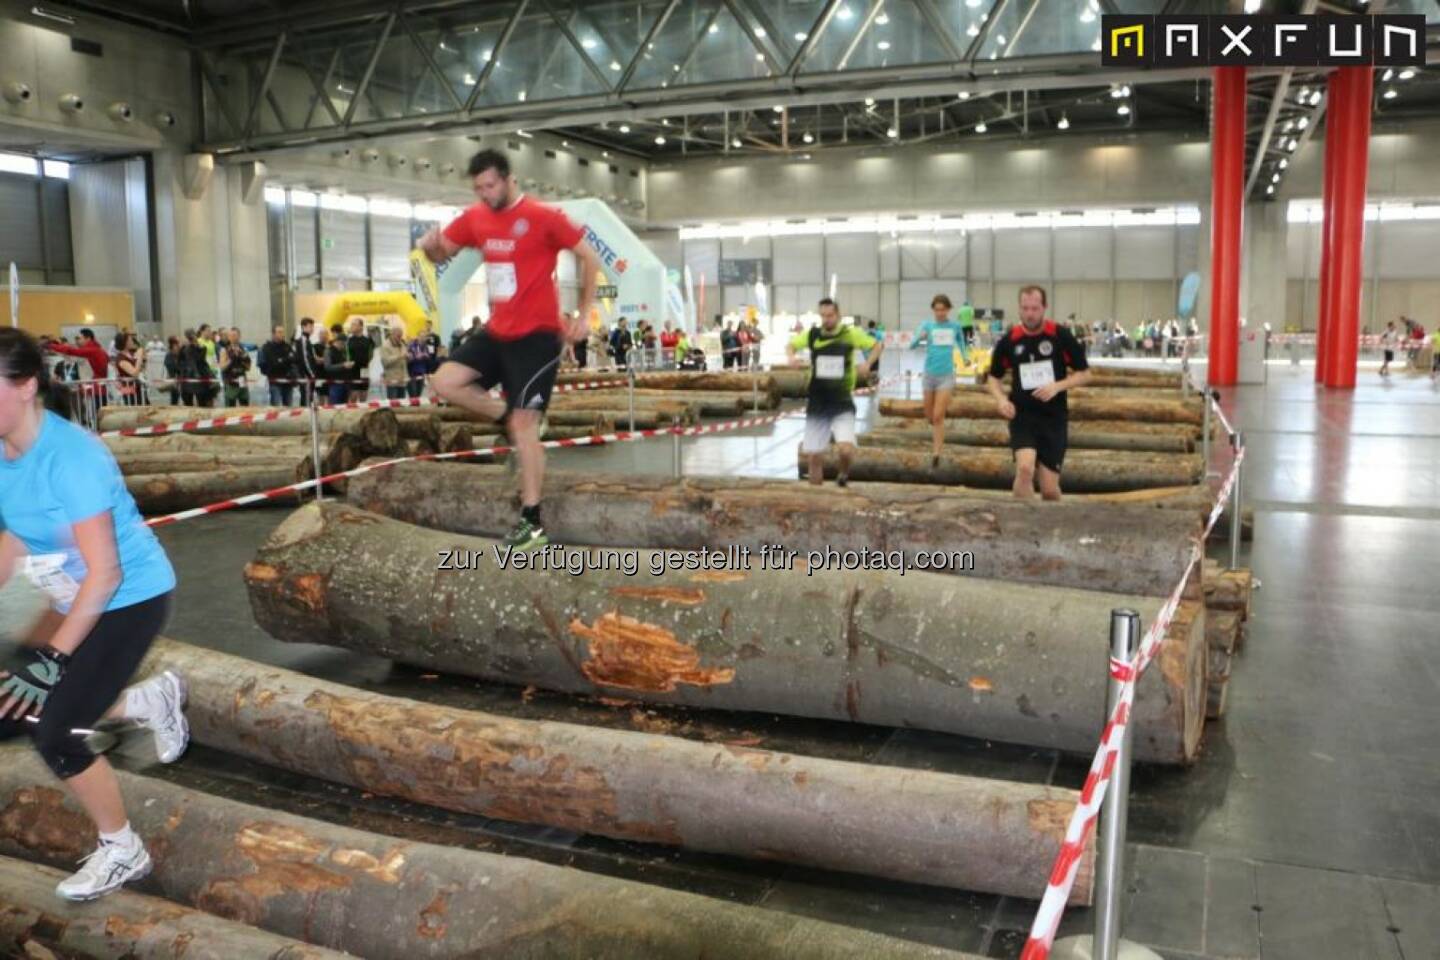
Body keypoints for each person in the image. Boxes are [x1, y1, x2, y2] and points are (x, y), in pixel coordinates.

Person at [0, 328, 190, 902]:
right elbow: (13, 538)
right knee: (12, 712)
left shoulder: (74, 458)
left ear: (27, 386)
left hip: (128, 597)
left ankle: (123, 848)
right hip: (72, 595)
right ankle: (144, 701)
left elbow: (105, 573)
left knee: (56, 729)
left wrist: (54, 659)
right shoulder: (4, 453)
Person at [421, 148, 600, 549]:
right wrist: (429, 246)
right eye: (478, 187)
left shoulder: (543, 217)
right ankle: (509, 416)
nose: (484, 194)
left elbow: (590, 258)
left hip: (537, 336)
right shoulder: (475, 217)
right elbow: (441, 254)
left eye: (490, 185)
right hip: (497, 330)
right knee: (445, 382)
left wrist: (584, 314)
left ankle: (533, 520)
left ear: (508, 179)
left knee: (524, 428)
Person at [985, 285, 1092, 501]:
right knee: (1025, 469)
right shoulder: (1010, 340)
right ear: (1019, 308)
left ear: (1044, 307)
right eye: (1025, 308)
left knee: (1050, 490)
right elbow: (993, 377)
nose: (1030, 313)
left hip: (1053, 418)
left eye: (1035, 308)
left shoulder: (1059, 335)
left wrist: (1057, 386)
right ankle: (1021, 523)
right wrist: (1000, 399)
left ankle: (1050, 527)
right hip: (1022, 416)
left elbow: (1086, 374)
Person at [787, 298, 881, 488]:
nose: (826, 319)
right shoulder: (812, 334)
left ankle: (844, 472)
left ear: (838, 315)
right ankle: (817, 500)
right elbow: (791, 345)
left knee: (846, 450)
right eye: (823, 315)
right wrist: (791, 357)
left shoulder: (850, 334)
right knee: (814, 457)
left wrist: (868, 363)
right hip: (817, 402)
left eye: (830, 315)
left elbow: (877, 345)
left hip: (842, 402)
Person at [910, 294, 970, 467]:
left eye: (943, 309)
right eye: (937, 309)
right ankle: (938, 430)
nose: (940, 313)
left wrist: (965, 357)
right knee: (929, 415)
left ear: (949, 310)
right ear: (933, 310)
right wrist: (919, 337)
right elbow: (911, 345)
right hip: (929, 376)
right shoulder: (927, 325)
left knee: (938, 417)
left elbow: (961, 342)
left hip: (946, 376)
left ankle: (936, 453)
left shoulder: (955, 326)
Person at [257, 326, 296, 407]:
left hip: (288, 381)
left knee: (289, 406)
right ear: (274, 334)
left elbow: (293, 359)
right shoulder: (267, 347)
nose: (282, 334)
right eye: (279, 332)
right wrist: (286, 359)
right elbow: (273, 363)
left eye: (282, 332)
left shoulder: (287, 346)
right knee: (276, 406)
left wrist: (281, 360)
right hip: (274, 381)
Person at [291, 317, 322, 407]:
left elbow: (311, 358)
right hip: (306, 375)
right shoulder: (303, 340)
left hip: (308, 374)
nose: (312, 329)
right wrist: (311, 374)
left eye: (313, 326)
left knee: (309, 398)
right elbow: (305, 359)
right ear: (303, 327)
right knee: (306, 400)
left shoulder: (308, 341)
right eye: (310, 326)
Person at [323, 323, 355, 405]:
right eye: (344, 344)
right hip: (335, 385)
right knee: (334, 408)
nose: (345, 346)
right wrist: (343, 365)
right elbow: (328, 367)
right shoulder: (328, 351)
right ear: (340, 342)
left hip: (345, 384)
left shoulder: (342, 352)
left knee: (343, 408)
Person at [219, 327, 251, 407]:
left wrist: (243, 359)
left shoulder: (244, 349)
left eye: (235, 335)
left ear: (239, 336)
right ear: (229, 337)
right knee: (230, 408)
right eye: (231, 335)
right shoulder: (225, 350)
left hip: (242, 381)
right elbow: (222, 367)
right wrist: (231, 360)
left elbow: (248, 368)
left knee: (245, 406)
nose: (233, 337)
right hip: (231, 382)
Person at [345, 318, 374, 401]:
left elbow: (371, 354)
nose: (351, 326)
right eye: (351, 325)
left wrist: (367, 362)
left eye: (354, 325)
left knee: (363, 395)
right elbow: (346, 355)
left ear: (361, 327)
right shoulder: (348, 340)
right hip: (353, 371)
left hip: (364, 370)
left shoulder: (368, 340)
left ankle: (363, 411)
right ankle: (352, 412)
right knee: (353, 395)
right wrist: (349, 363)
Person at [380, 321, 409, 400]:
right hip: (392, 380)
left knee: (402, 404)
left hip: (402, 380)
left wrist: (408, 357)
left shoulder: (402, 344)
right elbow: (385, 362)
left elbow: (405, 359)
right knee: (393, 405)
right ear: (392, 334)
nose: (400, 338)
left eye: (401, 336)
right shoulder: (385, 346)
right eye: (398, 336)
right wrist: (400, 356)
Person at [113, 333, 143, 407]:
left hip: (138, 388)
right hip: (129, 389)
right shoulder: (121, 359)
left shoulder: (131, 354)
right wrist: (139, 356)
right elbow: (134, 373)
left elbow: (139, 368)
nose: (132, 341)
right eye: (130, 340)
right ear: (125, 342)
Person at [162, 336, 182, 405]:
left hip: (180, 381)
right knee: (174, 399)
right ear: (173, 345)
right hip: (173, 381)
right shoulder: (169, 356)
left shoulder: (180, 355)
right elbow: (172, 370)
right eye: (178, 343)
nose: (180, 345)